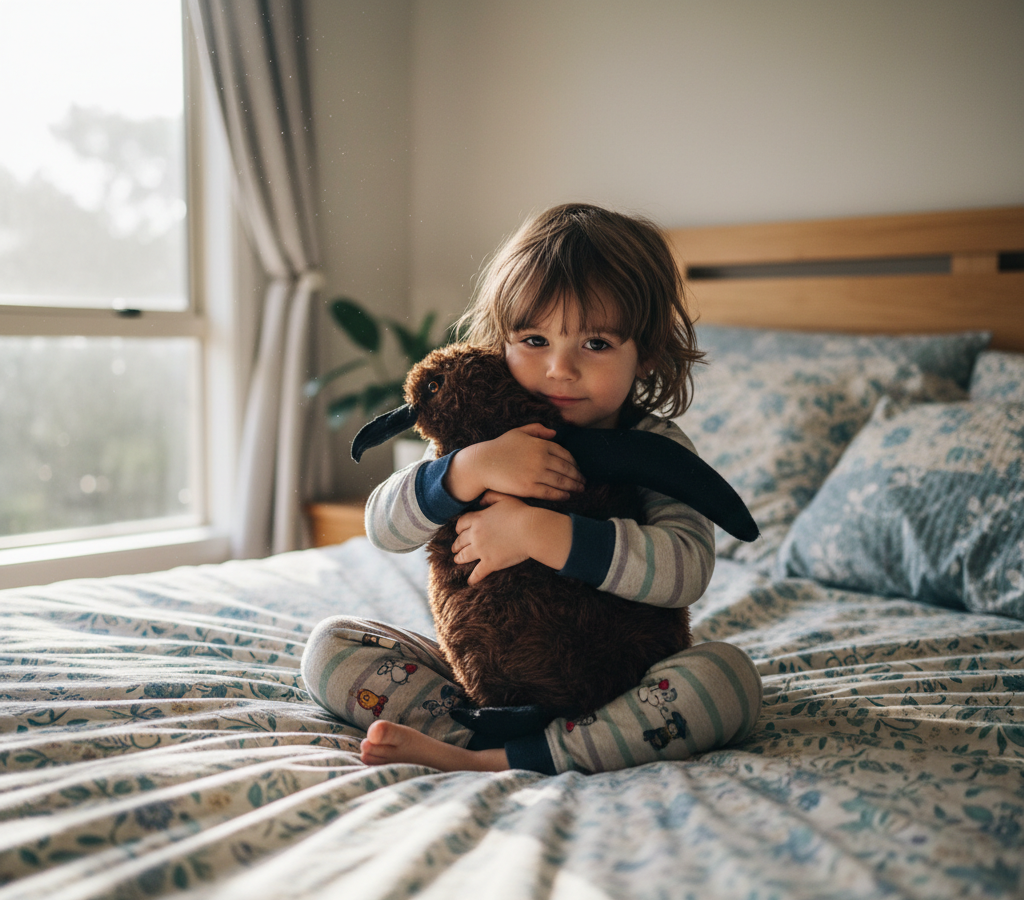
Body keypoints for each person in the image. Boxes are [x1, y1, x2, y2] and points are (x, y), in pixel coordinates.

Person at [301, 203, 762, 775]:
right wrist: (468, 470)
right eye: (535, 340)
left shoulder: (655, 444)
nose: (559, 370)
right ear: (502, 340)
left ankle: (504, 758)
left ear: (645, 353)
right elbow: (383, 527)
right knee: (330, 646)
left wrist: (541, 533)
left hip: (616, 690)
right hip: (488, 684)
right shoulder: (478, 435)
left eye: (595, 344)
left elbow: (687, 569)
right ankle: (467, 733)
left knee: (729, 680)